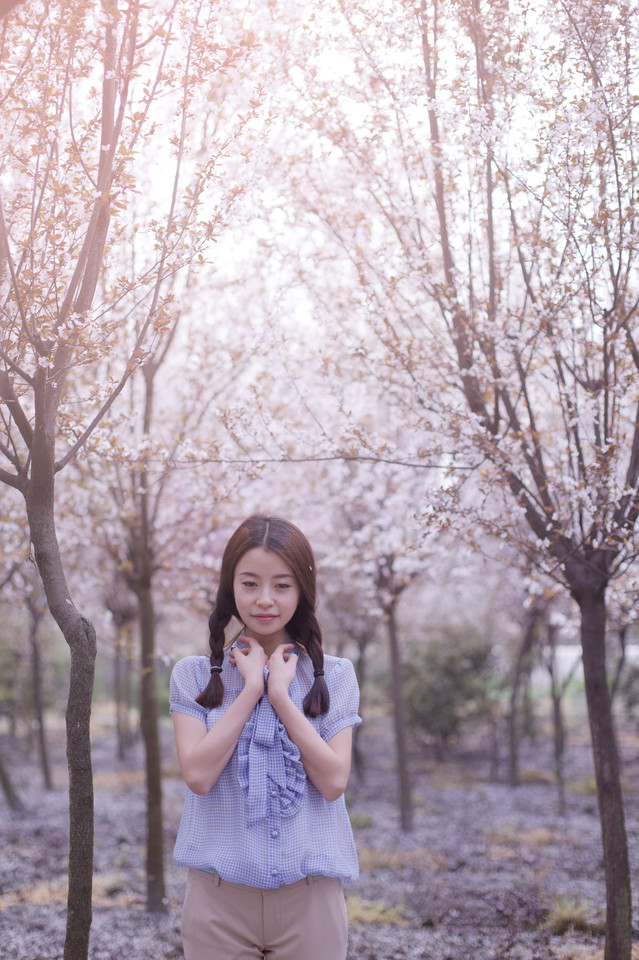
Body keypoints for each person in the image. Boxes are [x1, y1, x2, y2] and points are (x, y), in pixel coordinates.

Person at [170, 514, 362, 960]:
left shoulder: (334, 675)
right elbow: (197, 774)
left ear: (302, 590)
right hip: (217, 902)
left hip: (310, 901)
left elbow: (334, 782)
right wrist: (250, 689)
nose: (264, 600)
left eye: (282, 585)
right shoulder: (193, 675)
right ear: (229, 586)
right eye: (250, 583)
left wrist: (280, 696)